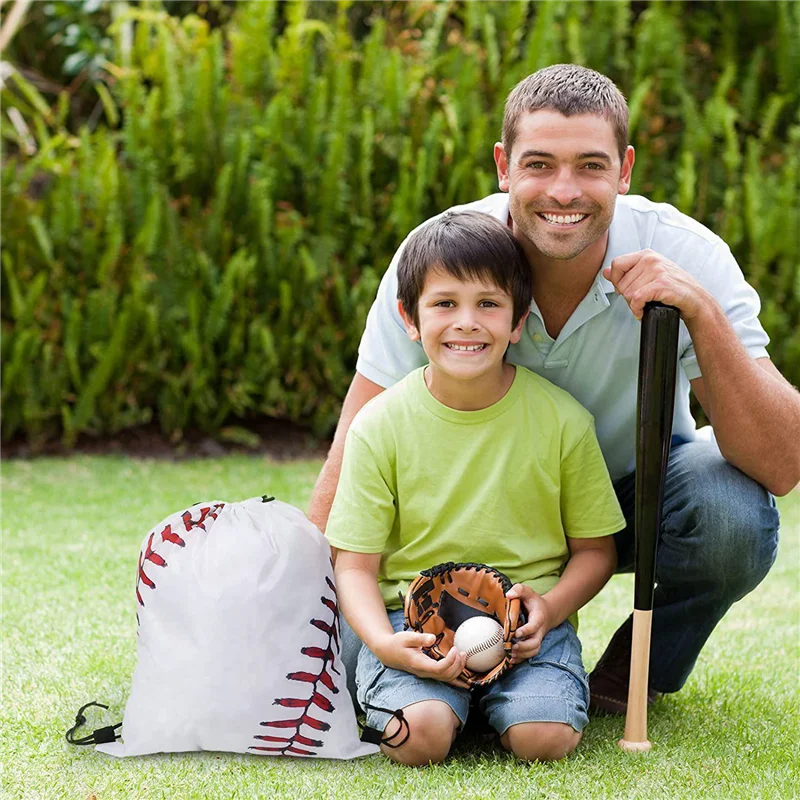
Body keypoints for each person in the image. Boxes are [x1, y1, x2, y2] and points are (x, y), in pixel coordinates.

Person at [310, 64, 800, 715]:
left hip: (630, 504)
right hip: (453, 523)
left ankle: (629, 675)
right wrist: (302, 611)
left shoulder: (686, 253)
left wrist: (701, 315)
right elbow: (357, 436)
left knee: (732, 512)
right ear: (503, 166)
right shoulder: (442, 258)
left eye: (590, 166)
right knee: (339, 668)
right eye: (539, 164)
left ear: (624, 170)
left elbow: (781, 461)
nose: (564, 191)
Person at [326, 210, 625, 765]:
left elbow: (596, 551)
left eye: (488, 304)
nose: (466, 322)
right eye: (444, 304)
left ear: (518, 321)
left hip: (526, 629)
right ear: (409, 318)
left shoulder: (563, 421)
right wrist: (386, 644)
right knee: (419, 740)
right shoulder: (379, 425)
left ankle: (505, 707)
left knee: (546, 741)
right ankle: (437, 704)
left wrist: (552, 608)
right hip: (410, 625)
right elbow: (355, 566)